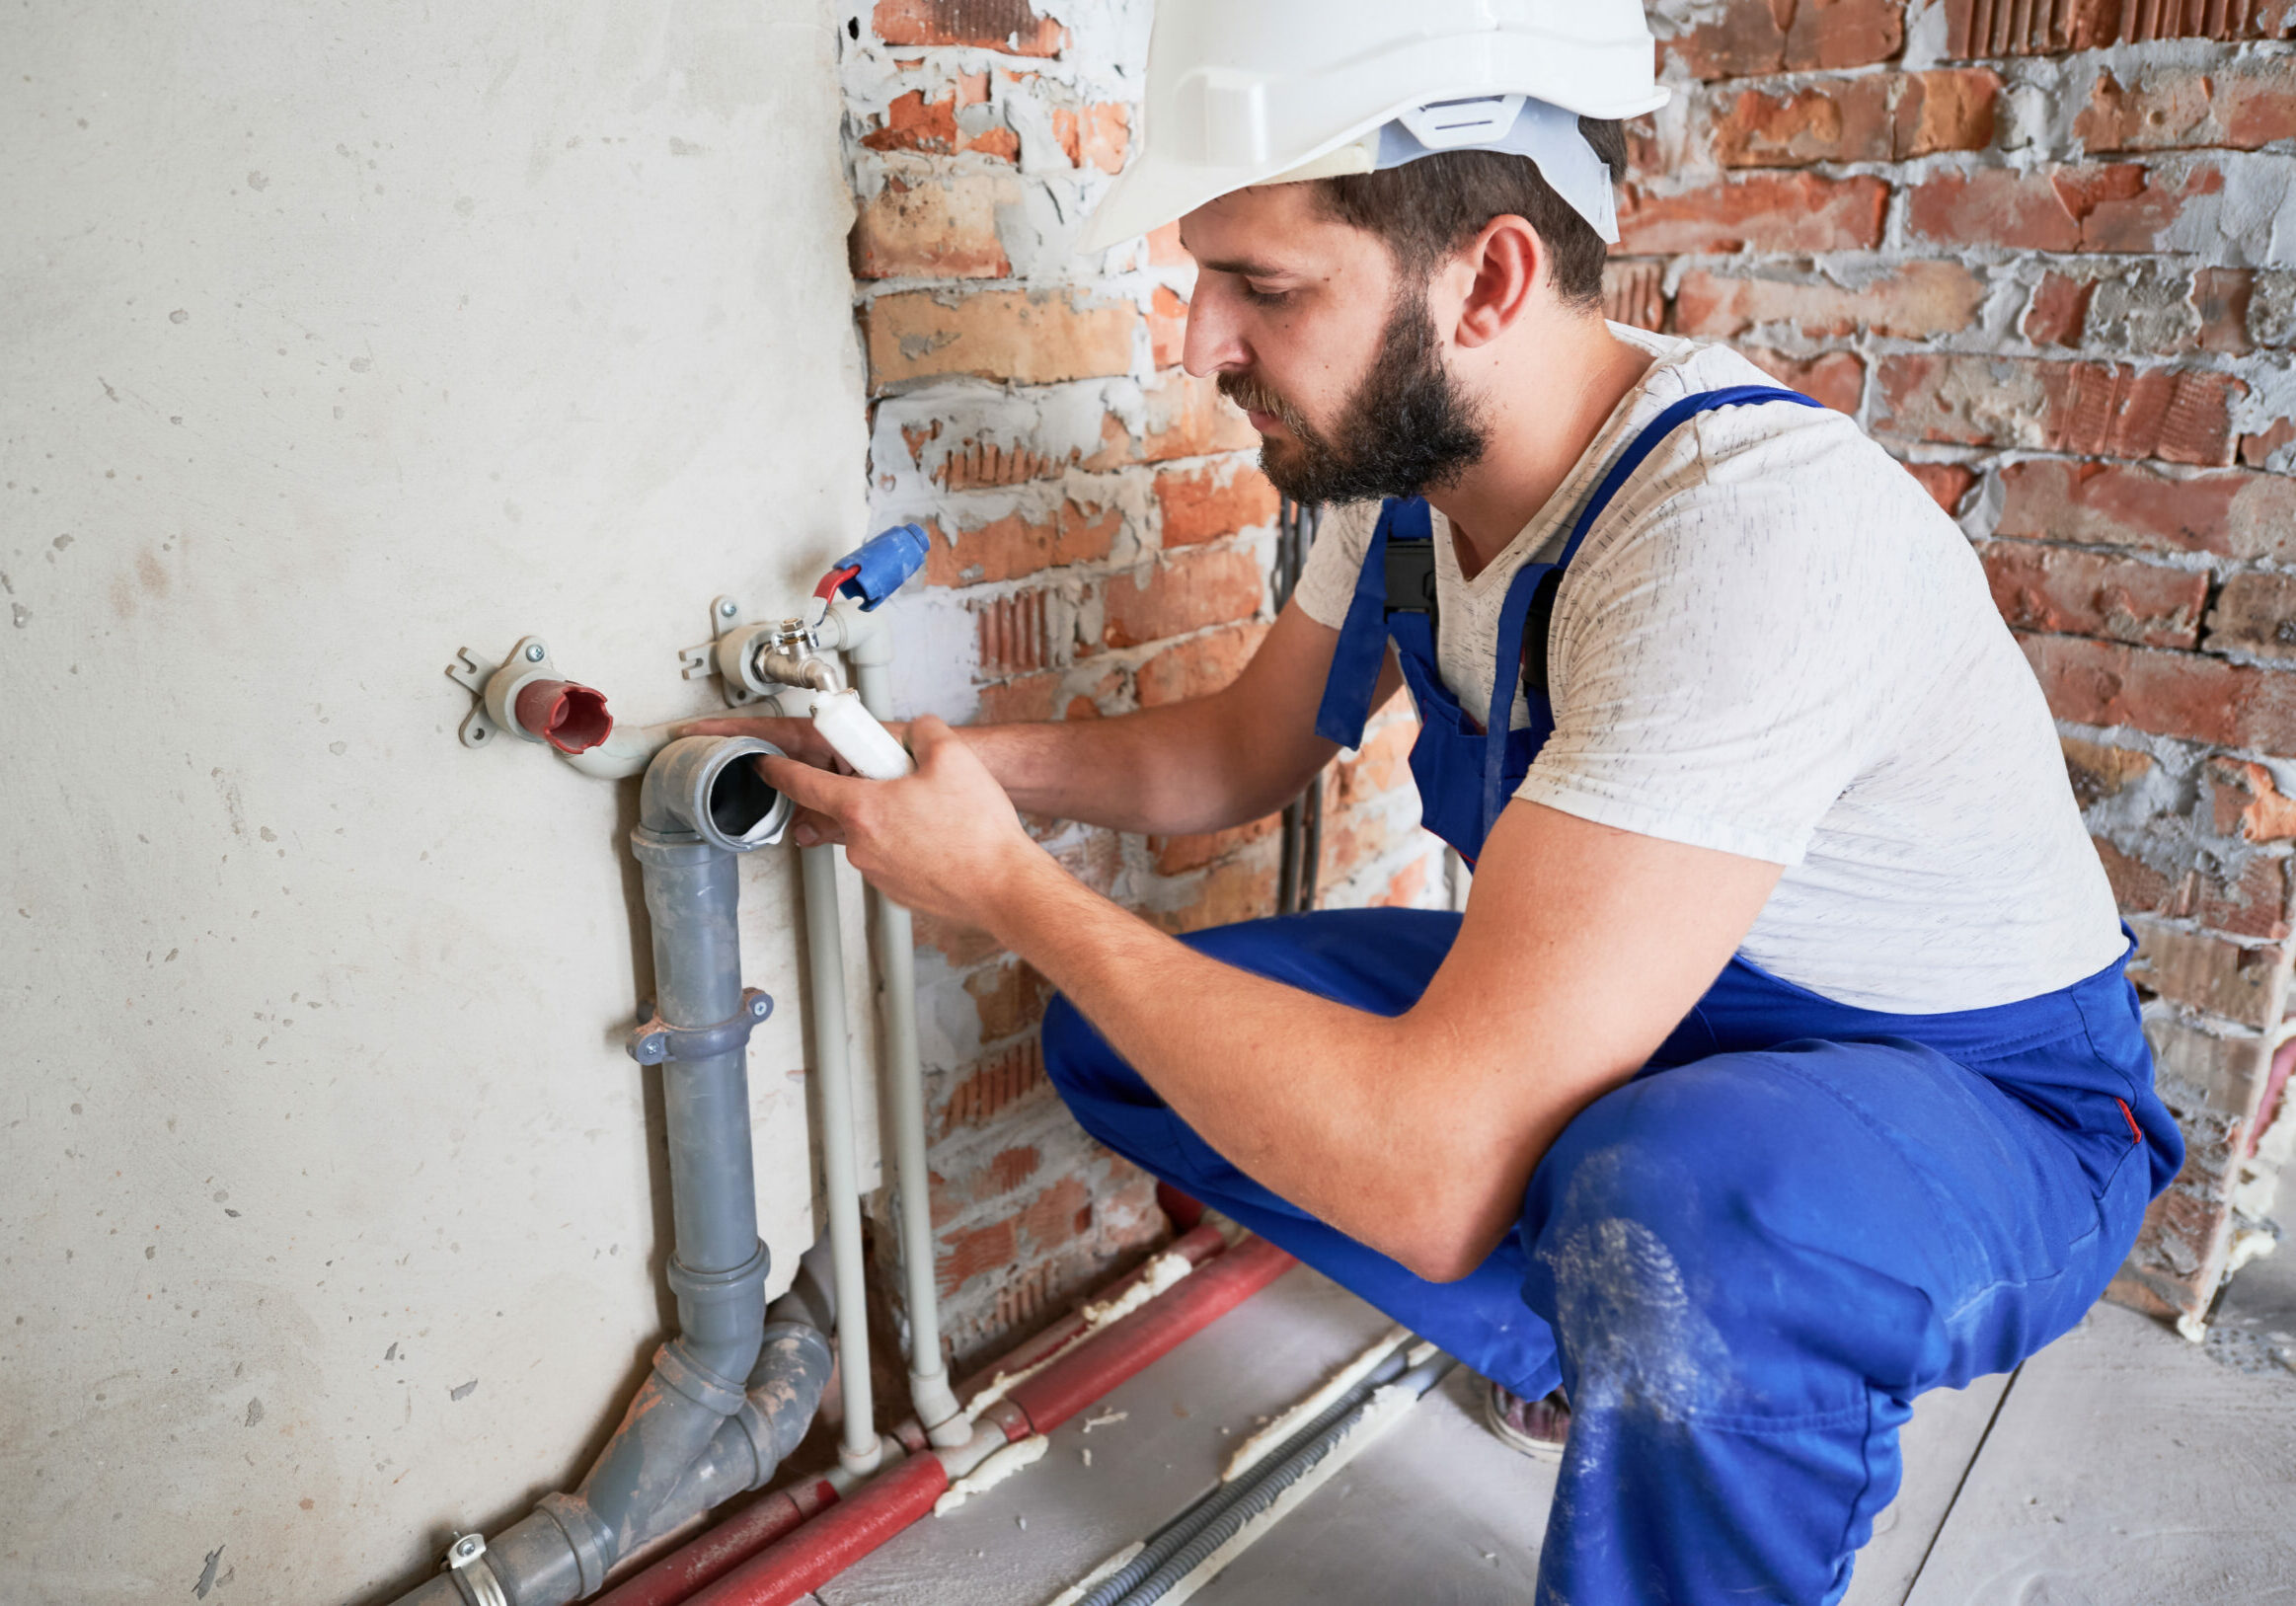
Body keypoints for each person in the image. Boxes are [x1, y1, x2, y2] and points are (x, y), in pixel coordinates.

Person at [714, 3, 2182, 1599]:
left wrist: (1006, 890)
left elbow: (1423, 1179)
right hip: (1658, 1025)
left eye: (1259, 288)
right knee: (1126, 1033)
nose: (1198, 340)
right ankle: (1607, 1341)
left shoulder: (1737, 535)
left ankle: (1673, 1356)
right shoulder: (1405, 478)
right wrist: (951, 774)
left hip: (1970, 1098)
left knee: (1683, 1217)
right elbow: (1232, 757)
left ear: (1485, 278)